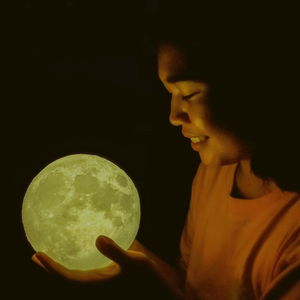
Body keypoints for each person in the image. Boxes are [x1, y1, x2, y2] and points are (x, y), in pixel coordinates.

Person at [32, 4, 300, 299]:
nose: (174, 116)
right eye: (170, 95)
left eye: (188, 93)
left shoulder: (292, 230)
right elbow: (191, 287)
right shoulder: (214, 174)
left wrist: (151, 290)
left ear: (253, 81)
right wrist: (135, 262)